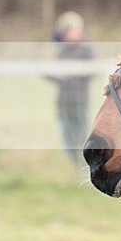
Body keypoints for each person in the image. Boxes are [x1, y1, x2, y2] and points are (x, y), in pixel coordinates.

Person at [46, 11, 94, 166]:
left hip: (80, 100)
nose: (70, 34)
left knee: (82, 134)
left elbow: (91, 72)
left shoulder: (86, 49)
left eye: (73, 30)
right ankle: (72, 165)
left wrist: (70, 74)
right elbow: (55, 73)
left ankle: (84, 165)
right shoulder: (60, 50)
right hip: (63, 101)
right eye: (66, 31)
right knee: (67, 135)